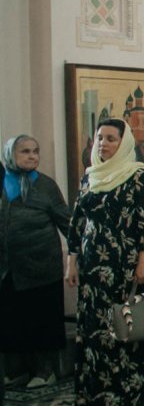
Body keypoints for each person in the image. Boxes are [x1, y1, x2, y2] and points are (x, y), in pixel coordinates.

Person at [65, 120, 144, 406]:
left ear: (123, 143)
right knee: (95, 331)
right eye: (99, 138)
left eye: (110, 139)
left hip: (125, 265)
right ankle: (93, 396)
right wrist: (72, 260)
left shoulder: (138, 176)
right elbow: (77, 219)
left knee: (123, 328)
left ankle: (126, 397)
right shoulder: (91, 176)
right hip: (92, 266)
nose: (103, 144)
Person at [1, 135, 70, 388]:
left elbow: (66, 222)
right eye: (25, 151)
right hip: (8, 268)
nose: (32, 156)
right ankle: (17, 370)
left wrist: (76, 255)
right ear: (10, 154)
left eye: (35, 151)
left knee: (41, 319)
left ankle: (45, 370)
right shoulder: (2, 183)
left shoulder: (45, 185)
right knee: (12, 320)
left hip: (41, 266)